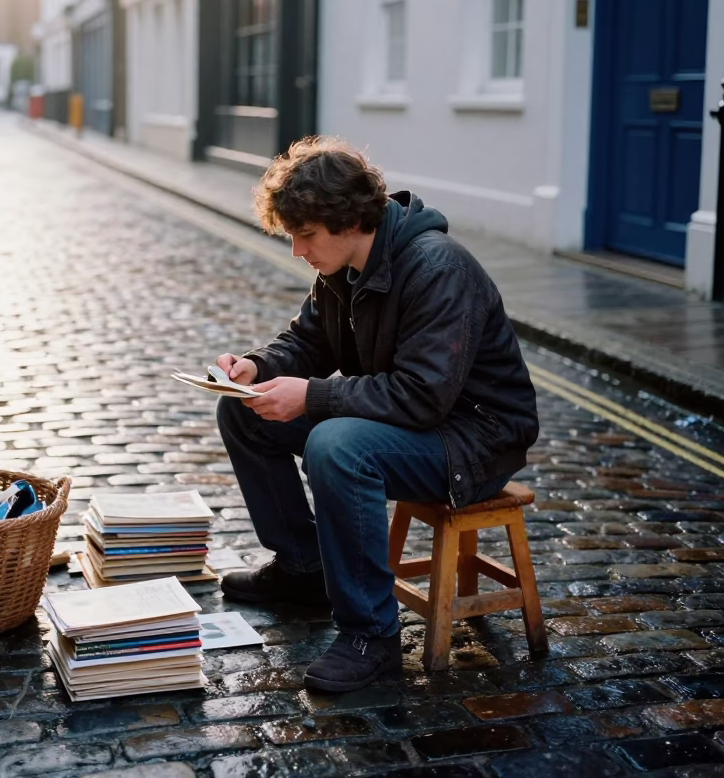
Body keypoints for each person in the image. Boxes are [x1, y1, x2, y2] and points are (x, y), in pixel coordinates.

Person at [214, 136, 539, 694]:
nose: (297, 250)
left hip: (473, 440)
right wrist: (257, 366)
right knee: (244, 411)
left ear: (347, 220)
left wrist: (312, 396)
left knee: (337, 445)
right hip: (417, 421)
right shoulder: (342, 264)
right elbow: (307, 341)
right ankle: (302, 569)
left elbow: (423, 395)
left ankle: (371, 636)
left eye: (305, 235)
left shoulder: (439, 267)